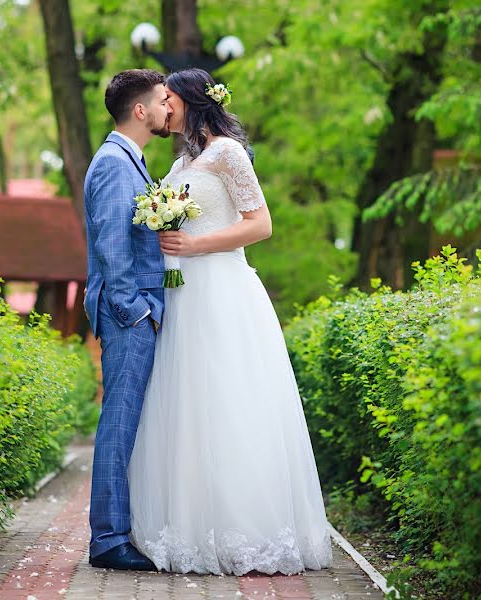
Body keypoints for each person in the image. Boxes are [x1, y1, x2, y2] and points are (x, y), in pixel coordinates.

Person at [127, 68, 334, 576]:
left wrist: (195, 244)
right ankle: (189, 527)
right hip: (182, 295)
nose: (163, 108)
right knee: (185, 406)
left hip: (220, 290)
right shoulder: (183, 160)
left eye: (168, 99)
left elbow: (260, 224)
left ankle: (244, 531)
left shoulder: (228, 153)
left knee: (226, 401)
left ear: (191, 101)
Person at [83, 69, 172, 571]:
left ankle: (117, 530)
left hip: (132, 310)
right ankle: (109, 541)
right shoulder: (116, 164)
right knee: (118, 423)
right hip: (128, 314)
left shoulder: (128, 161)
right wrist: (135, 311)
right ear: (140, 111)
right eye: (161, 101)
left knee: (125, 421)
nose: (166, 109)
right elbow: (112, 244)